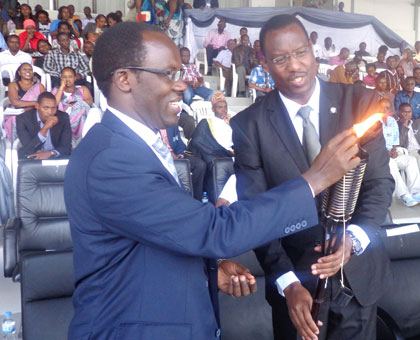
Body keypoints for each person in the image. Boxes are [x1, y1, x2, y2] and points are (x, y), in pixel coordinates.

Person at [65, 22, 361, 339]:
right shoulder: (112, 158)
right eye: (168, 74)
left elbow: (162, 235)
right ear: (124, 79)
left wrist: (207, 271)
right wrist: (314, 180)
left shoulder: (132, 147)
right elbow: (216, 230)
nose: (182, 85)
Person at [230, 14, 393, 340]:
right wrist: (287, 283)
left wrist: (354, 239)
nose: (294, 65)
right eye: (280, 58)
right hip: (297, 293)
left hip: (357, 282)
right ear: (264, 63)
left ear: (312, 50)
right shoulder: (249, 126)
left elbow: (379, 184)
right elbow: (257, 212)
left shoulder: (360, 103)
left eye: (300, 52)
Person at [380, 100, 420, 207]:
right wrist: (387, 152)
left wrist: (393, 150)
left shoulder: (392, 121)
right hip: (380, 154)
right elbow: (375, 144)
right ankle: (404, 195)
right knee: (391, 164)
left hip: (393, 152)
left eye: (387, 108)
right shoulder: (375, 123)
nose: (385, 110)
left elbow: (395, 141)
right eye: (382, 108)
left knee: (411, 160)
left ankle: (415, 192)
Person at [16, 91, 72, 159]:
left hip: (56, 157)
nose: (50, 112)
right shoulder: (23, 119)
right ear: (37, 106)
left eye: (53, 108)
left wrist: (51, 153)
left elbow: (67, 147)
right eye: (46, 108)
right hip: (33, 158)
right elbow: (28, 148)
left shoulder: (63, 117)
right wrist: (45, 128)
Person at [187, 92, 234, 167]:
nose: (223, 110)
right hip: (211, 153)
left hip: (229, 152)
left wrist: (231, 125)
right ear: (213, 109)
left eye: (225, 107)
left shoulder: (231, 122)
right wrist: (216, 151)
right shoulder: (206, 122)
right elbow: (197, 141)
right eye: (220, 107)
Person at [162, 124, 207, 200]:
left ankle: (195, 198)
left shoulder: (171, 123)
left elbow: (179, 143)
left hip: (176, 154)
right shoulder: (149, 125)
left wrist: (179, 154)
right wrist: (169, 154)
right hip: (162, 156)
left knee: (200, 165)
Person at [52, 67, 93, 147]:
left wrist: (75, 105)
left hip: (81, 119)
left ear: (75, 78)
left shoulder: (82, 89)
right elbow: (54, 104)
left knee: (83, 106)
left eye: (70, 77)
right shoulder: (56, 90)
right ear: (61, 78)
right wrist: (61, 88)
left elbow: (89, 101)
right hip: (63, 120)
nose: (67, 79)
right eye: (64, 77)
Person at [3, 63, 45, 141]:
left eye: (30, 69)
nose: (28, 71)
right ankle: (15, 144)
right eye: (24, 69)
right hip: (18, 112)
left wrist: (31, 107)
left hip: (35, 112)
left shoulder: (39, 86)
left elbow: (44, 102)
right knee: (14, 120)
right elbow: (15, 102)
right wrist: (34, 103)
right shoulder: (13, 85)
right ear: (19, 73)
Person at [398, 101, 420, 168]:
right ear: (399, 112)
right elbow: (401, 144)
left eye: (409, 112)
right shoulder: (396, 126)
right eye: (404, 112)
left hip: (418, 150)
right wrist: (404, 125)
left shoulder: (416, 123)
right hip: (408, 152)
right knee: (416, 157)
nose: (407, 114)